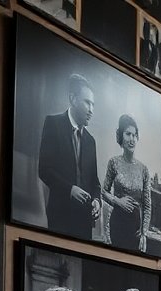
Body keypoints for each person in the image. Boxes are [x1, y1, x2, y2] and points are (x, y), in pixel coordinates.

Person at [38, 73, 100, 240]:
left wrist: (96, 201)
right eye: (87, 103)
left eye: (93, 104)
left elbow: (95, 182)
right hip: (60, 217)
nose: (91, 110)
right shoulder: (53, 124)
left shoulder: (91, 141)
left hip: (84, 221)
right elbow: (44, 170)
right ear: (73, 99)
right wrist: (70, 190)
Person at [101, 115, 151, 251]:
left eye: (135, 135)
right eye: (128, 134)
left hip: (136, 229)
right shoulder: (114, 162)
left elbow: (147, 205)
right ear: (121, 136)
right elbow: (103, 192)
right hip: (117, 225)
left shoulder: (143, 169)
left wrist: (144, 233)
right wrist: (118, 201)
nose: (132, 139)